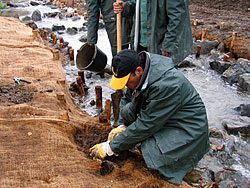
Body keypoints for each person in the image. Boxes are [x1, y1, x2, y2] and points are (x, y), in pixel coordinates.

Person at [89, 49, 210, 185]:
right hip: (165, 116)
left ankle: (187, 163)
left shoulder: (167, 85)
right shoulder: (137, 71)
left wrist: (111, 147)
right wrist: (122, 125)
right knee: (127, 112)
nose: (125, 85)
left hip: (189, 128)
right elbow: (127, 98)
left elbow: (146, 125)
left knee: (152, 153)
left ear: (138, 70)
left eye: (126, 81)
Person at [113, 0, 193, 65]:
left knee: (161, 79)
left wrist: (168, 45)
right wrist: (125, 7)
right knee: (144, 78)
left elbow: (177, 19)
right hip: (142, 43)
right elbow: (143, 5)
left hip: (161, 46)